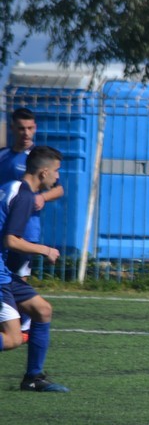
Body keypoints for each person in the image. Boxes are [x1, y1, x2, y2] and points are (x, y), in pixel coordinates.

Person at [0, 146, 68, 392]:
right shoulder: (25, 196)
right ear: (44, 172)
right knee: (13, 338)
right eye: (56, 171)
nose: (57, 177)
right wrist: (45, 250)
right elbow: (11, 240)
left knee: (42, 310)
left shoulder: (12, 186)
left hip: (4, 270)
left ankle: (33, 378)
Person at [0, 107, 64, 341]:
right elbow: (10, 240)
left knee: (25, 291)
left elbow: (59, 189)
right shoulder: (6, 158)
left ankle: (22, 330)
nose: (26, 133)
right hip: (11, 238)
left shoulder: (38, 156)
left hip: (26, 233)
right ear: (12, 128)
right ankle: (17, 332)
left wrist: (42, 197)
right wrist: (46, 250)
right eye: (21, 128)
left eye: (30, 128)